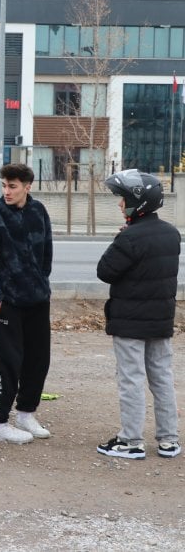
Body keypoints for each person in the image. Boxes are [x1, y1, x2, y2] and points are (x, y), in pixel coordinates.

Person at [95, 170, 181, 460]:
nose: (120, 204)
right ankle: (169, 440)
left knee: (131, 379)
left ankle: (131, 440)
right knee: (162, 378)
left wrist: (120, 238)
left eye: (123, 199)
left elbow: (105, 271)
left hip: (129, 321)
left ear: (137, 202)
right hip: (161, 319)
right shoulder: (172, 234)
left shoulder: (129, 238)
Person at [0, 162, 53, 445]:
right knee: (10, 363)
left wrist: (42, 284)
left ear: (27, 187)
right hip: (6, 303)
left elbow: (46, 253)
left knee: (39, 359)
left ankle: (26, 413)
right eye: (4, 185)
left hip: (37, 300)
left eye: (13, 186)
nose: (7, 191)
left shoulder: (38, 210)